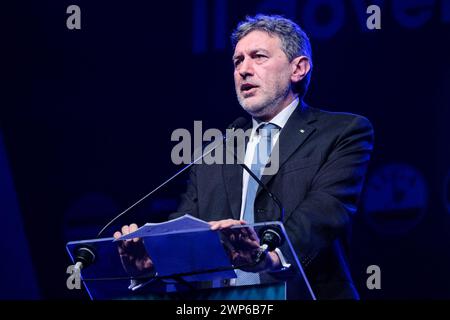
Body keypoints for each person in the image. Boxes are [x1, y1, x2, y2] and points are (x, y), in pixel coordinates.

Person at [114, 14, 374, 299]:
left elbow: (325, 212)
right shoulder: (217, 149)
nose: (243, 70)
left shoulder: (341, 132)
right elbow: (187, 230)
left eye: (258, 57)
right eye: (238, 61)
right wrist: (154, 265)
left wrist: (271, 256)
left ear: (298, 68)